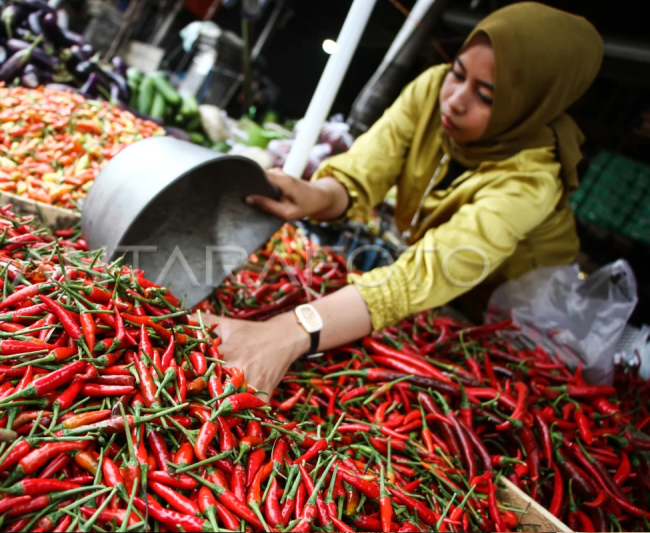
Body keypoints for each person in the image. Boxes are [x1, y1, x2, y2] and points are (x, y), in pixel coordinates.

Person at [200, 2, 604, 397]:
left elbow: (434, 269)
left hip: (509, 316)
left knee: (490, 386)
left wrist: (290, 331)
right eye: (458, 73)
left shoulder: (533, 178)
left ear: (529, 106)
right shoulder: (432, 89)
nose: (455, 99)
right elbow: (366, 169)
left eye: (486, 96)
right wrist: (316, 195)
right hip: (433, 299)